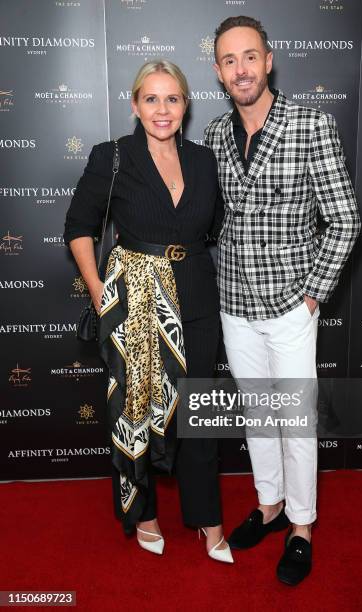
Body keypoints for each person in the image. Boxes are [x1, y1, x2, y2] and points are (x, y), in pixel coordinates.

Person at [204, 16, 361, 584]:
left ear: (268, 61)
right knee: (258, 416)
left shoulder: (311, 123)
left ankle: (301, 524)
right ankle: (269, 504)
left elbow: (345, 220)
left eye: (250, 57)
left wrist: (314, 294)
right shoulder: (216, 135)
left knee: (294, 422)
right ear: (219, 72)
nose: (241, 69)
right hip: (233, 303)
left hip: (292, 305)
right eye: (229, 60)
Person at [64, 60, 233, 563]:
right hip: (134, 300)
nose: (163, 110)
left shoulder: (204, 160)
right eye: (152, 99)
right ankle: (145, 514)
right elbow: (79, 226)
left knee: (197, 411)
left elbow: (215, 225)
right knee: (135, 408)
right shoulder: (112, 157)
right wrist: (99, 292)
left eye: (173, 99)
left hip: (198, 292)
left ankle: (209, 519)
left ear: (186, 104)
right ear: (135, 105)